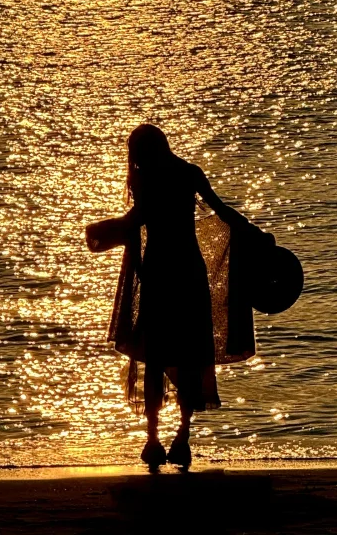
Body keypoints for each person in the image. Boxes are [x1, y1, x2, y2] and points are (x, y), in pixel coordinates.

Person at [86, 124, 253, 471]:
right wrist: (254, 234)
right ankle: (182, 437)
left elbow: (136, 221)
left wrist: (100, 231)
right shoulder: (189, 173)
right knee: (191, 354)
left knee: (156, 358)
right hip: (189, 275)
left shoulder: (146, 180)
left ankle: (152, 439)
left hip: (159, 276)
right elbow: (223, 212)